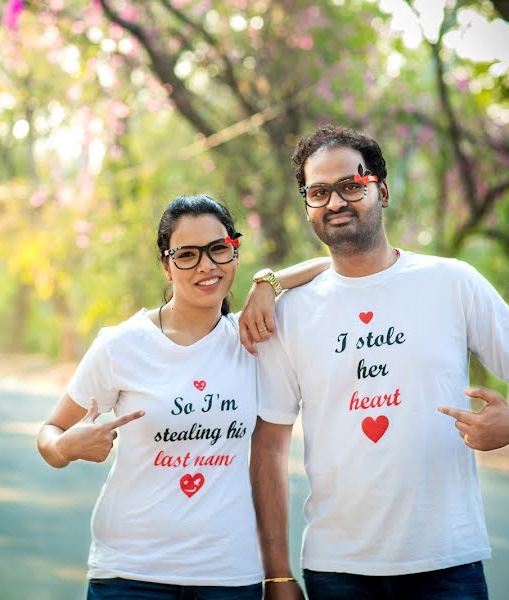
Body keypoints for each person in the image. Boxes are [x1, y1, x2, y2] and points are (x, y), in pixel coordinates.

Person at [242, 125, 509, 600]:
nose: (335, 202)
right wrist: (278, 574)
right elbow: (268, 448)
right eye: (319, 192)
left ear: (382, 190)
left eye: (352, 185)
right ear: (307, 204)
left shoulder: (453, 283)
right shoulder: (289, 312)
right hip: (337, 567)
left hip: (448, 564)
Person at [37, 194, 330, 600]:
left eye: (218, 250)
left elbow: (337, 266)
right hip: (130, 575)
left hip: (228, 577)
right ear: (166, 263)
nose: (206, 266)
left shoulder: (253, 340)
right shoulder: (122, 345)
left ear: (234, 251)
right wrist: (66, 447)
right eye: (187, 255)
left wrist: (269, 282)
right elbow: (50, 433)